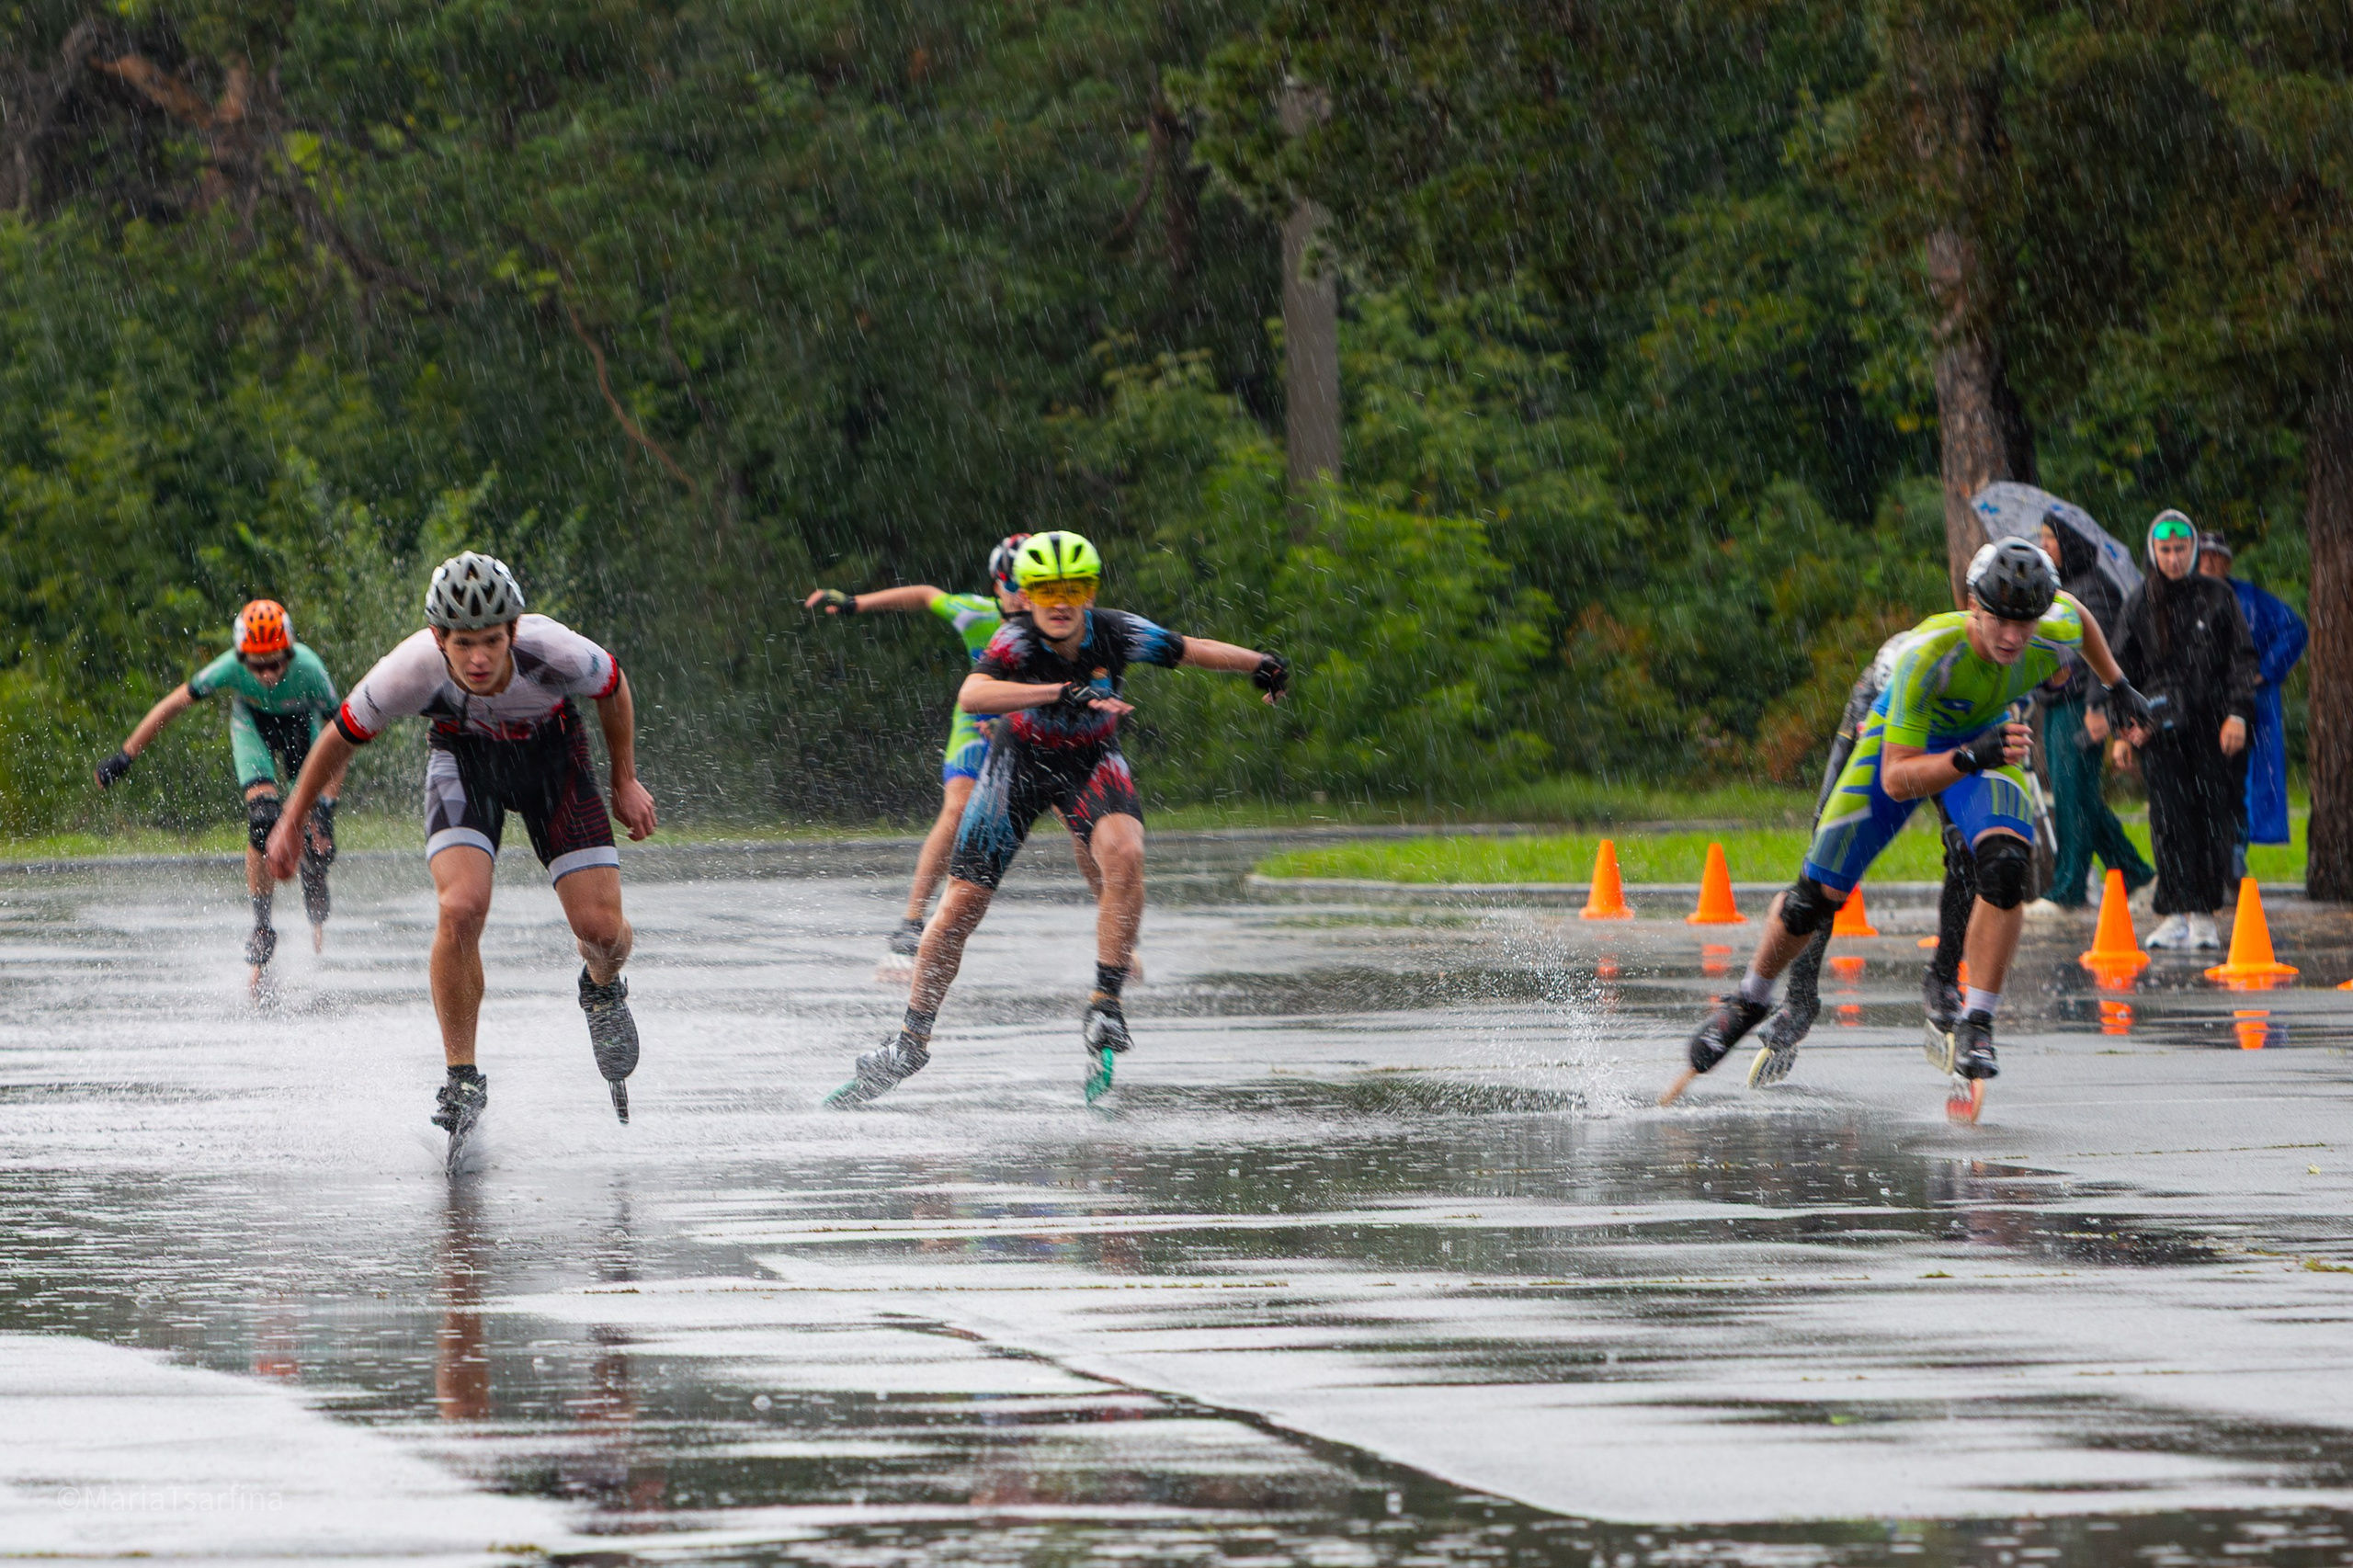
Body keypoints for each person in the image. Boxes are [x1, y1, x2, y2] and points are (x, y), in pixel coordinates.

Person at [1666, 539, 2149, 1100]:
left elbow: (2082, 617)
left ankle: (1977, 1021)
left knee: (2005, 866)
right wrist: (1972, 756)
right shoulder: (1929, 654)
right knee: (1814, 897)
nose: (2015, 637)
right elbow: (1898, 779)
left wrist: (2117, 686)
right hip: (1898, 746)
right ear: (1975, 606)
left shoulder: (2051, 625)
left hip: (1980, 741)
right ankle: (1751, 998)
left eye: (2026, 621)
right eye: (2000, 621)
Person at [828, 530, 1288, 1105]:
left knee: (1125, 854)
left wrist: (1260, 663)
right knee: (962, 906)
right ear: (1028, 595)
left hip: (1090, 762)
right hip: (1016, 767)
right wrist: (1054, 693)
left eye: (1074, 589)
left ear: (1089, 593)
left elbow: (1187, 648)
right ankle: (909, 1042)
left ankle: (1106, 1006)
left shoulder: (1116, 631)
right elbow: (973, 694)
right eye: (1047, 591)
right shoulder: (1015, 640)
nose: (1061, 601)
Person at [263, 552, 658, 1135]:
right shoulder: (411, 668)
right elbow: (340, 737)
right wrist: (292, 819)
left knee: (600, 930)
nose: (478, 658)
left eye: (492, 641)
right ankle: (462, 1074)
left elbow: (614, 687)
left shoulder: (553, 649)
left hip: (554, 760)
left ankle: (601, 987)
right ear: (438, 637)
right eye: (464, 643)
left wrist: (624, 778)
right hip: (464, 762)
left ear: (514, 631)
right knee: (461, 907)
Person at [804, 537, 1106, 961]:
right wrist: (856, 603)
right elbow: (926, 596)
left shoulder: (1062, 620)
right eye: (1014, 588)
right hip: (977, 727)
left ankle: (1113, 923)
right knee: (958, 807)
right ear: (996, 588)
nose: (1024, 598)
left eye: (1033, 587)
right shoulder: (978, 613)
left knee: (1083, 822)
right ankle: (911, 923)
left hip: (1035, 728)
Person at [1747, 628, 1979, 1085]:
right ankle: (1800, 998)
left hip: (1941, 729)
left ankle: (1944, 979)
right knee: (1825, 858)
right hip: (1876, 708)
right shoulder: (1873, 699)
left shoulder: (1951, 687)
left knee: (1967, 849)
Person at [96, 599, 347, 983]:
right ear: (242, 658)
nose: (266, 674)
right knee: (263, 823)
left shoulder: (311, 669)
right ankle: (262, 927)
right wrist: (126, 755)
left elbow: (344, 738)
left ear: (290, 653)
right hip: (254, 727)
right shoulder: (230, 665)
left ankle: (314, 877)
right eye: (257, 665)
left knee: (315, 837)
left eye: (276, 663)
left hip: (302, 728)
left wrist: (327, 805)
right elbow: (172, 705)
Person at [2102, 512, 2257, 950]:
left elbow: (2241, 661)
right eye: (2166, 550)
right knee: (2168, 820)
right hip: (2159, 732)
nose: (2173, 558)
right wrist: (2122, 730)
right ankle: (2174, 911)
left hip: (2211, 728)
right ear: (2154, 551)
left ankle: (2205, 914)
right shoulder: (2140, 602)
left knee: (2212, 817)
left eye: (2181, 550)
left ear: (2193, 552)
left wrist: (2239, 714)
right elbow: (2119, 670)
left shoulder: (2218, 597)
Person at [2029, 512, 2154, 912]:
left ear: (2071, 544)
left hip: (2080, 708)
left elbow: (2105, 654)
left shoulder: (2093, 588)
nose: (2043, 545)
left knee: (2074, 799)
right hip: (2056, 705)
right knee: (2078, 799)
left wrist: (2098, 706)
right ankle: (2135, 873)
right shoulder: (2060, 587)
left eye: (2051, 538)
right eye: (2042, 537)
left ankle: (2067, 889)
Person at [2198, 532, 2307, 881]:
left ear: (2227, 561)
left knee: (2240, 780)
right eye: (2203, 555)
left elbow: (2294, 628)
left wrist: (2266, 668)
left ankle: (2233, 855)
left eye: (2216, 556)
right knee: (2201, 779)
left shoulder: (2249, 599)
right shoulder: (2181, 597)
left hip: (2247, 704)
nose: (2209, 561)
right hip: (2201, 705)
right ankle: (2206, 859)